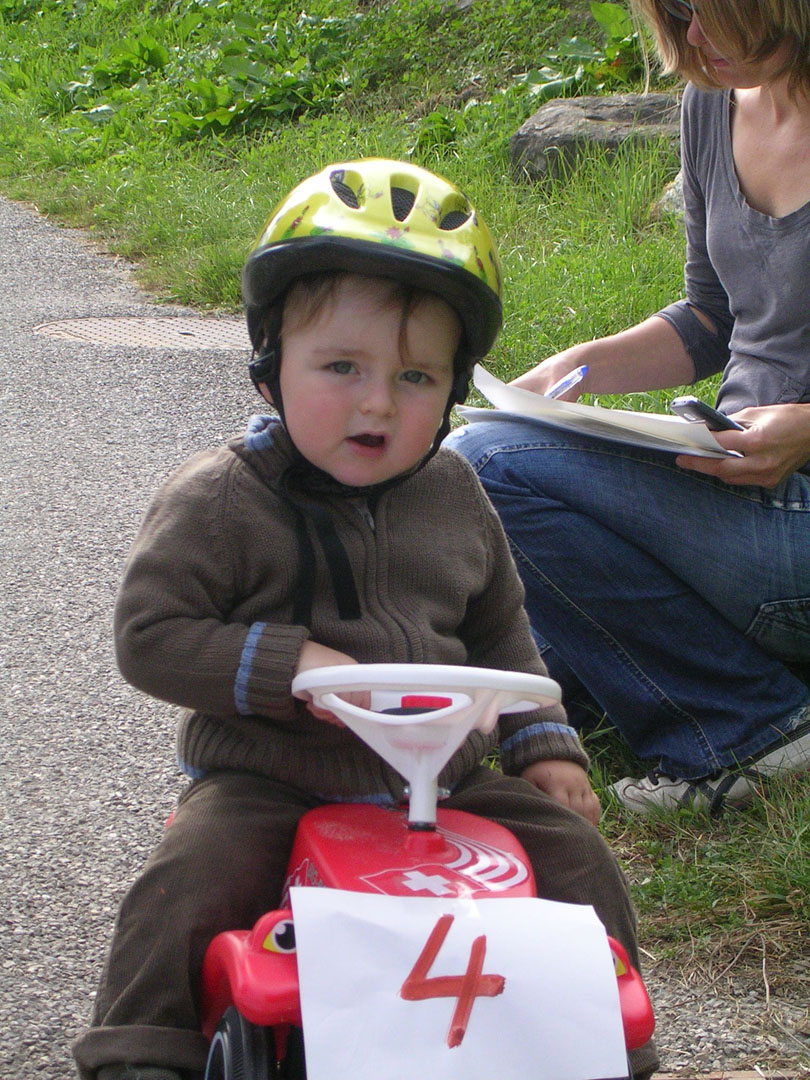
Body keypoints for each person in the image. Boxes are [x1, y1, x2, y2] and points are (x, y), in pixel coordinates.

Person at [71, 159, 658, 1080]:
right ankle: (140, 1050)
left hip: (447, 784)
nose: (378, 401)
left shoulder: (455, 493)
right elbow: (149, 635)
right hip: (275, 778)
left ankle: (605, 1045)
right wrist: (289, 662)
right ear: (271, 366)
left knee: (576, 858)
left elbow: (502, 632)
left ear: (452, 390)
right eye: (341, 367)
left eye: (415, 376)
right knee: (189, 878)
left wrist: (545, 746)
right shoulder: (222, 498)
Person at [445, 0, 810, 816]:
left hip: (795, 520)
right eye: (675, 13)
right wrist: (580, 367)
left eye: (709, 11)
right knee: (507, 682)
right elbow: (711, 316)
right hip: (736, 488)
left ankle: (745, 727)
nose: (692, 39)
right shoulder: (712, 103)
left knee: (486, 468)